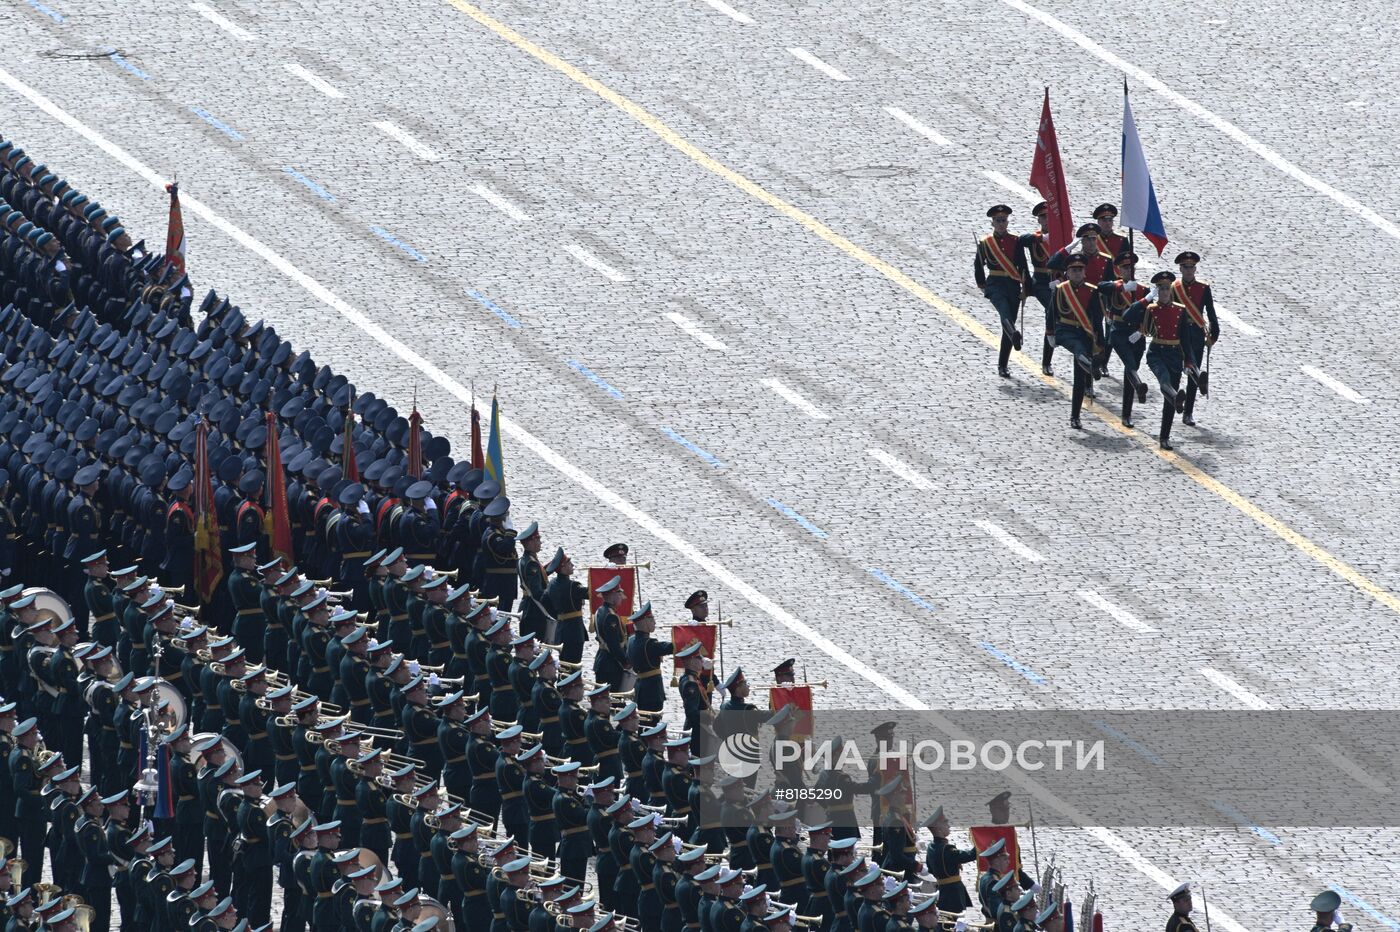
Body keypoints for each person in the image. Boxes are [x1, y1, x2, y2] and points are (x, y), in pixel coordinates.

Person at [1124, 272, 1189, 450]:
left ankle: (1164, 437)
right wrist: (1146, 299)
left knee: (1170, 402)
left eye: (1167, 288)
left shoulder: (1180, 310)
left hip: (1175, 355)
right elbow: (1128, 316)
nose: (1165, 292)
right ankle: (1176, 397)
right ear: (1157, 290)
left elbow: (1186, 338)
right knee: (1164, 381)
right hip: (1157, 353)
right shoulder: (1150, 309)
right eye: (1161, 289)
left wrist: (1189, 362)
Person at [1050, 255, 1105, 430]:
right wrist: (1049, 333)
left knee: (1079, 379)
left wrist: (1101, 341)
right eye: (1074, 271)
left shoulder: (1091, 291)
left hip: (1085, 333)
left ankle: (1075, 416)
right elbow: (1051, 313)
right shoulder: (1061, 289)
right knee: (1078, 349)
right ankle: (1090, 365)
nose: (1077, 274)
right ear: (1067, 272)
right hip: (1066, 331)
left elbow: (1097, 318)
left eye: (1080, 270)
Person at [974, 205, 1029, 377]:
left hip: (1012, 284)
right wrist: (982, 285)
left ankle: (1003, 364)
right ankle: (1014, 334)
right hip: (995, 284)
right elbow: (978, 265)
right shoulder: (986, 243)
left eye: (1003, 220)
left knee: (1009, 320)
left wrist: (1025, 288)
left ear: (1007, 221)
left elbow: (1023, 265)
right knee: (1004, 313)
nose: (1000, 224)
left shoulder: (1015, 240)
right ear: (992, 223)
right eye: (997, 221)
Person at [1171, 252, 1220, 427]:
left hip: (1197, 334)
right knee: (1177, 370)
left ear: (1195, 268)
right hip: (1179, 333)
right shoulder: (1174, 288)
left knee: (1193, 369)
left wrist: (1214, 333)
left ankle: (1188, 412)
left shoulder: (1203, 288)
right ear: (1180, 269)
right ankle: (1174, 399)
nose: (1189, 270)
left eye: (1191, 267)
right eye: (1185, 267)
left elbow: (1210, 311)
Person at [1021, 203, 1057, 376]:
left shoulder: (1061, 237)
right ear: (1039, 220)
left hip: (1058, 281)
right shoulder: (1035, 238)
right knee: (1051, 309)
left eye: (1048, 216)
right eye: (1042, 217)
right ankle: (1046, 362)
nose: (1046, 220)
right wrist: (1041, 239)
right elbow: (1021, 240)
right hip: (1041, 282)